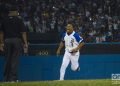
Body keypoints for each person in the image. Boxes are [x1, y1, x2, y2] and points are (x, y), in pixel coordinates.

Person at [0, 6, 28, 82]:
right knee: (14, 60)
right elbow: (23, 33)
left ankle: (6, 79)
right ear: (14, 12)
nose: (17, 13)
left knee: (7, 60)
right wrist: (25, 43)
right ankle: (13, 78)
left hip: (7, 41)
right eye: (16, 12)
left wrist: (1, 43)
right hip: (16, 41)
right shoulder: (19, 20)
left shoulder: (4, 20)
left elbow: (1, 33)